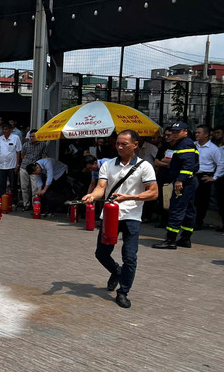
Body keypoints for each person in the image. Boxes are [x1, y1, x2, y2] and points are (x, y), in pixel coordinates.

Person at [82, 129, 157, 309]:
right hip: (110, 215)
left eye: (124, 144)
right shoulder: (108, 165)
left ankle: (123, 292)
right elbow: (101, 187)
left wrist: (129, 197)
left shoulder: (145, 166)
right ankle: (116, 271)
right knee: (101, 253)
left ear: (135, 145)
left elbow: (153, 193)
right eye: (117, 144)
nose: (120, 147)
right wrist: (92, 196)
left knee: (130, 258)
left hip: (132, 216)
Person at [154, 121, 200, 249]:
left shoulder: (185, 144)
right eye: (173, 132)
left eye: (177, 132)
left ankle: (170, 240)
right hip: (189, 181)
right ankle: (185, 238)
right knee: (189, 210)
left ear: (185, 132)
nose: (174, 134)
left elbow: (188, 164)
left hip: (185, 182)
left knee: (176, 209)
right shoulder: (183, 143)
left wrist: (180, 180)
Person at [192, 124, 223, 230]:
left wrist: (215, 177)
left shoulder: (213, 149)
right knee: (191, 199)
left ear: (206, 135)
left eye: (199, 133)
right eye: (196, 132)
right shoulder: (193, 145)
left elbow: (221, 164)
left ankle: (198, 222)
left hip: (204, 176)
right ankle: (190, 221)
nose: (196, 134)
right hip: (192, 174)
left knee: (202, 201)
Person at [19, 131, 49, 209]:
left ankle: (35, 205)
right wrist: (25, 162)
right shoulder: (26, 144)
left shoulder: (42, 144)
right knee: (24, 187)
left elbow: (45, 155)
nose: (31, 138)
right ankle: (26, 204)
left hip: (35, 168)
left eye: (33, 136)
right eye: (30, 136)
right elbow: (22, 154)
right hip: (24, 166)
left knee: (35, 188)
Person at [0, 123, 22, 197]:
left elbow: (18, 152)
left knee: (13, 185)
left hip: (12, 165)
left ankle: (13, 200)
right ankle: (2, 200)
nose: (4, 131)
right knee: (1, 184)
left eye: (6, 129)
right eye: (3, 129)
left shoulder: (16, 138)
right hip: (1, 165)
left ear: (10, 130)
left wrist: (17, 165)